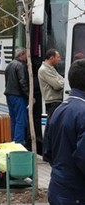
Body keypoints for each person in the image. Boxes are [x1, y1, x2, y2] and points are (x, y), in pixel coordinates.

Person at [44, 59, 85, 204]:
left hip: (57, 188)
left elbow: (48, 152)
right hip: (77, 194)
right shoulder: (83, 112)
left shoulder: (58, 109)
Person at [4, 48, 29, 144]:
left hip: (9, 95)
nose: (27, 57)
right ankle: (18, 142)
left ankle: (13, 141)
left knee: (13, 119)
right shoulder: (21, 66)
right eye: (26, 55)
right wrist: (28, 96)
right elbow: (22, 82)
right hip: (18, 96)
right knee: (20, 120)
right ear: (22, 54)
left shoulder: (9, 65)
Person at [38, 48, 63, 118]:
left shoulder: (51, 68)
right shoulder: (44, 70)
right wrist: (61, 82)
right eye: (58, 57)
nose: (59, 59)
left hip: (56, 102)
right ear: (52, 58)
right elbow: (57, 85)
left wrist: (61, 81)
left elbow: (62, 80)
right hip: (52, 103)